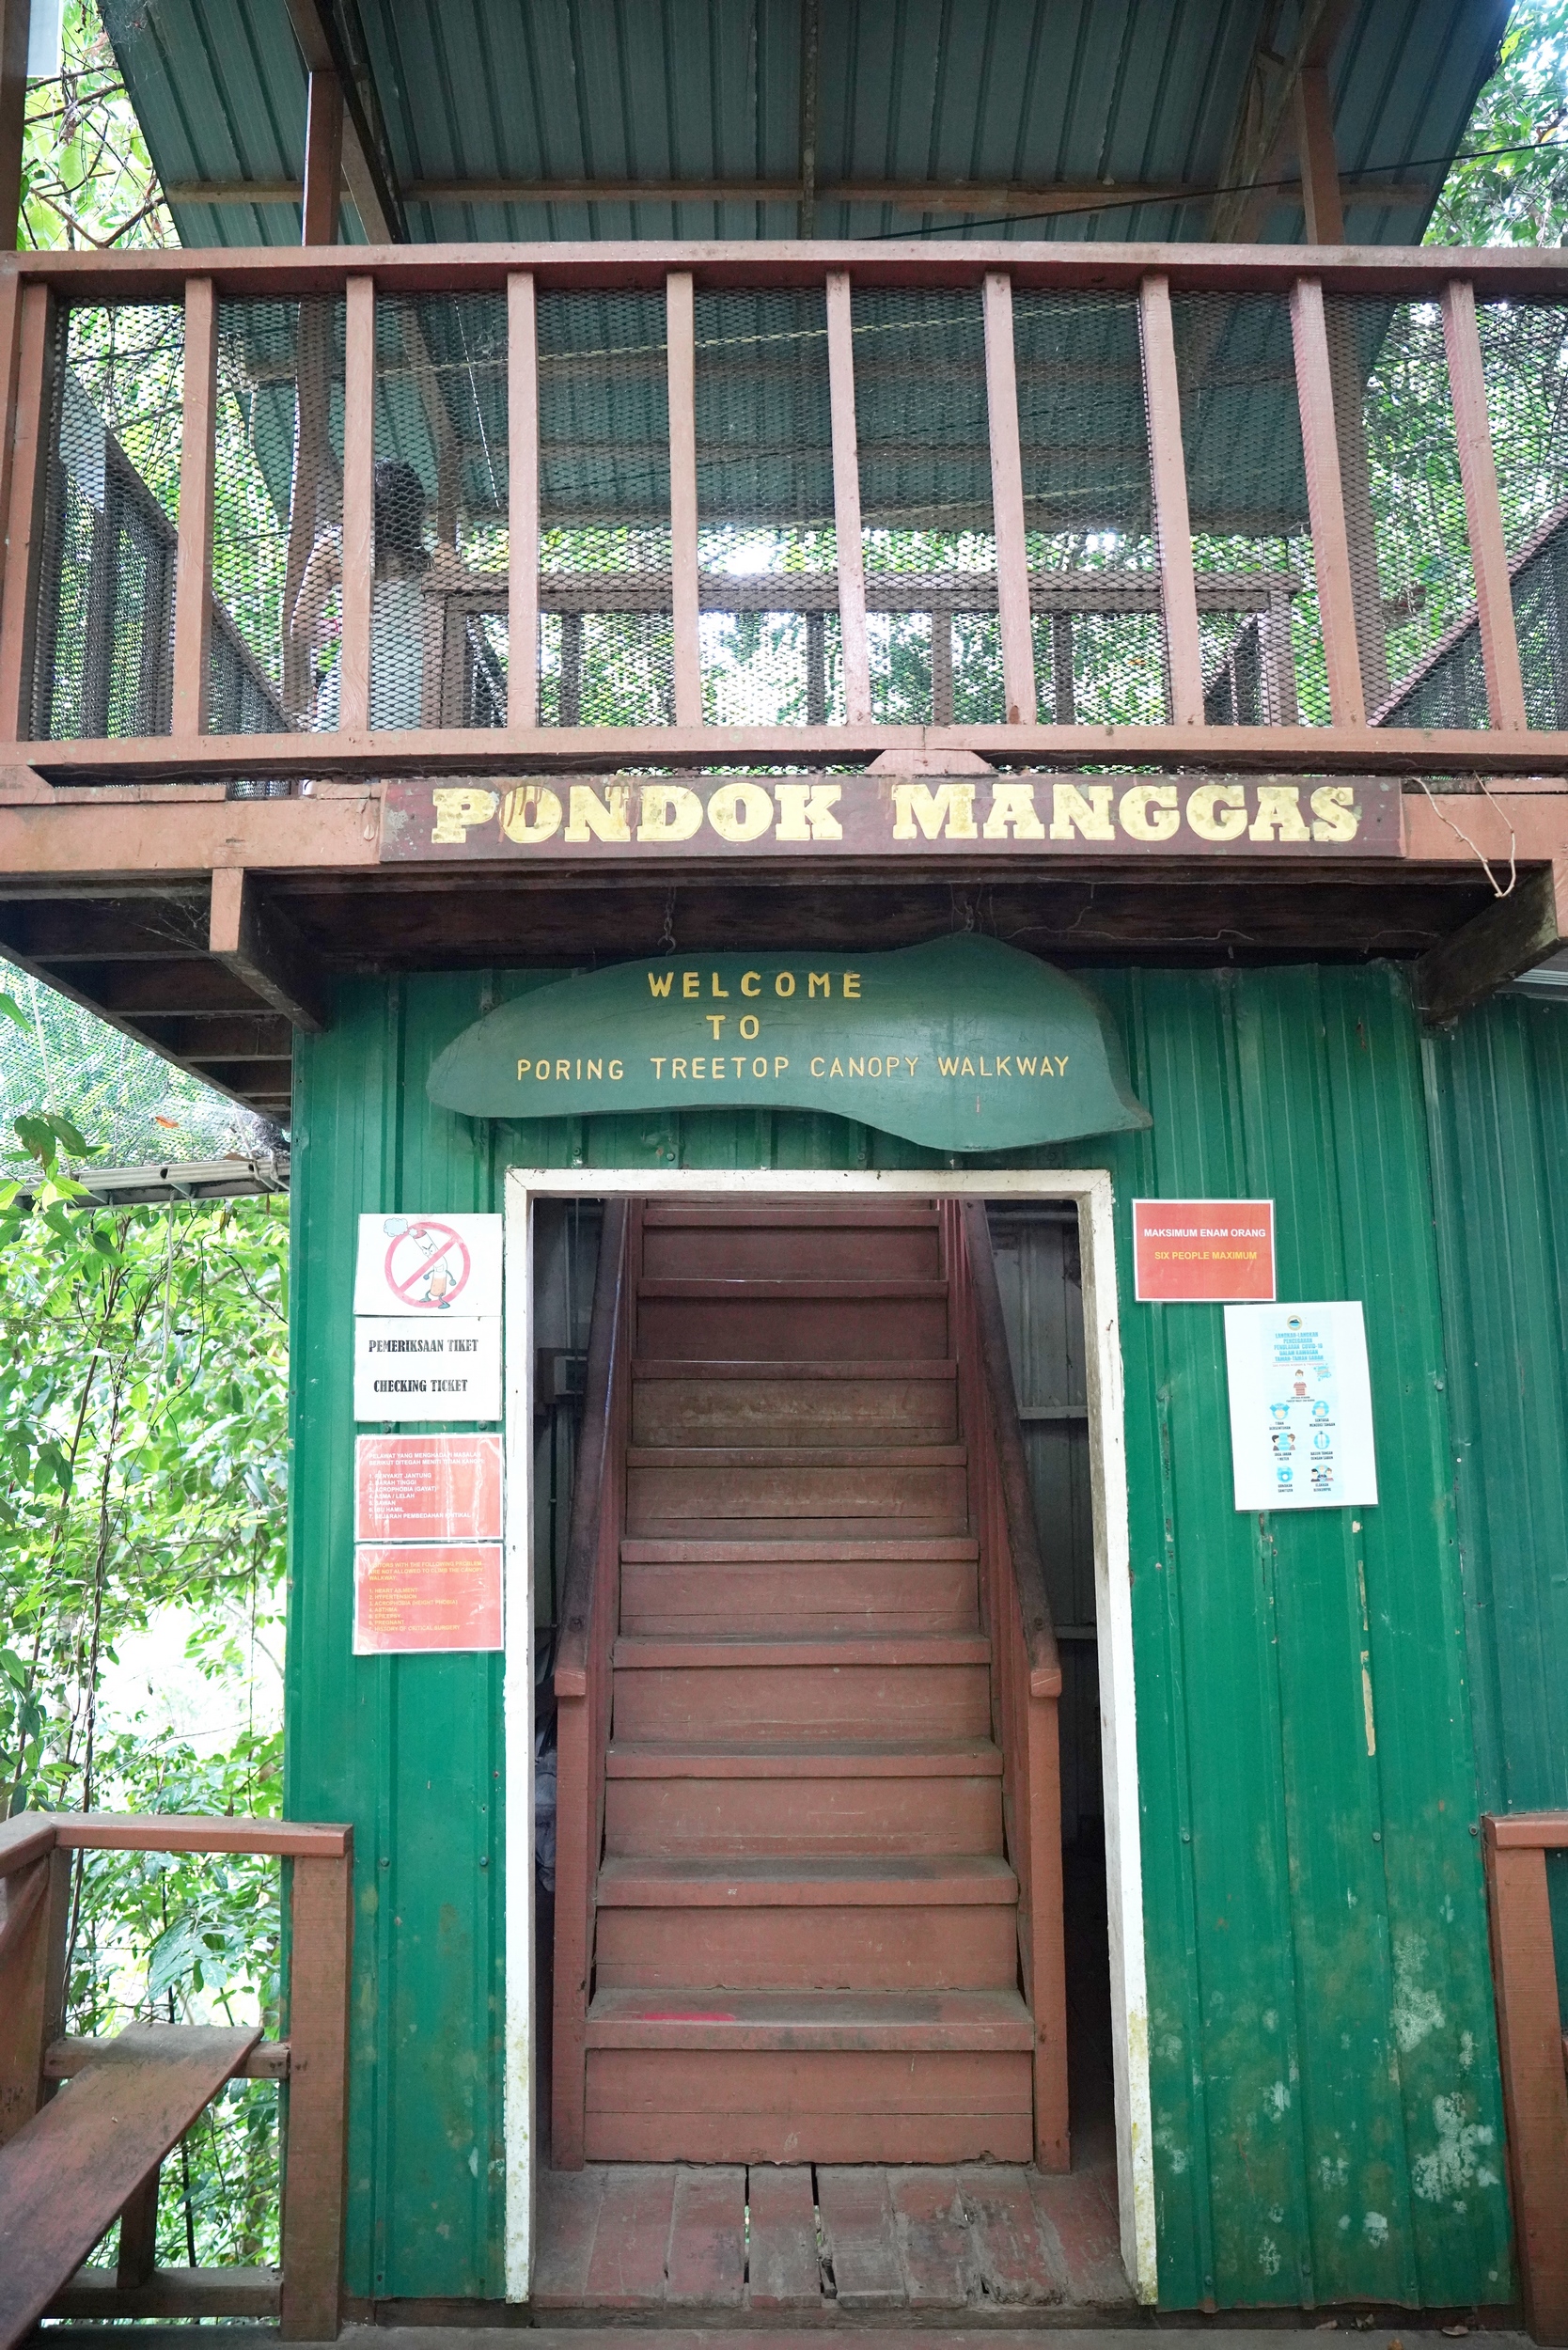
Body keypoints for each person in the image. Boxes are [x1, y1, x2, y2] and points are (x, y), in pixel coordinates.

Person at [291, 458, 463, 729]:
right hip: (416, 692)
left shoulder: (333, 547)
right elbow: (459, 632)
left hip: (351, 689)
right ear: (415, 507)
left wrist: (337, 626)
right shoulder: (441, 555)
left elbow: (301, 627)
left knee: (332, 767)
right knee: (401, 770)